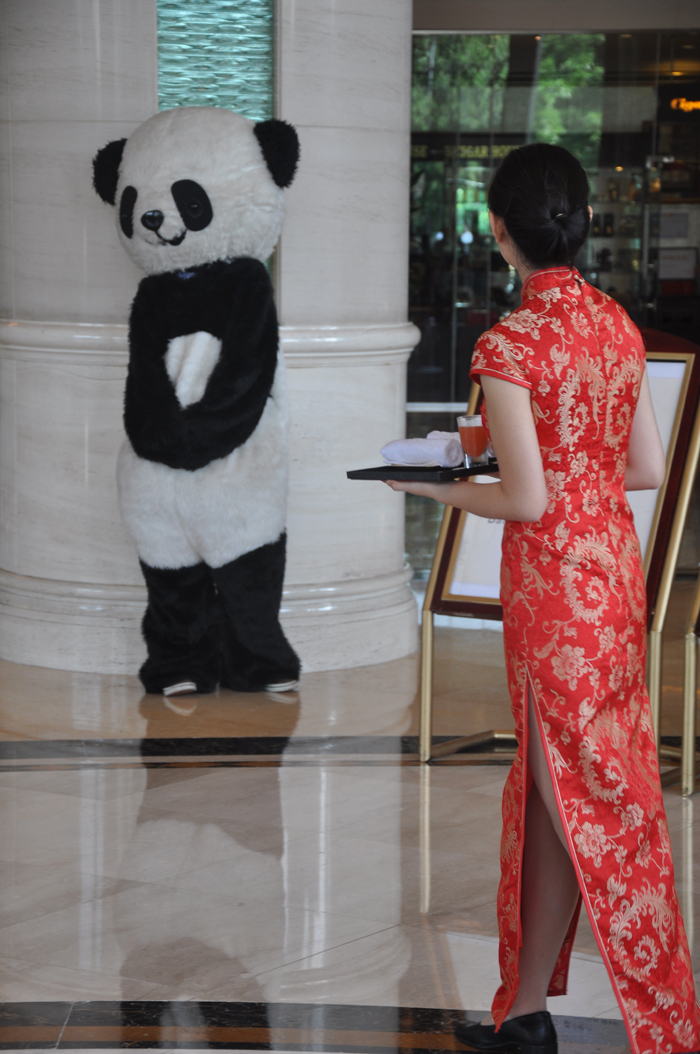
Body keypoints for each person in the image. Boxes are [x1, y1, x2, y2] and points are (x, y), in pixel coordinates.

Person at [388, 143, 700, 1054]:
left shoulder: (511, 343)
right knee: (571, 790)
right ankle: (525, 1011)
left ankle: (669, 1021)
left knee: (586, 804)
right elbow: (640, 467)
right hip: (611, 576)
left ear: (498, 232)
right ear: (585, 223)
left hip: (554, 596)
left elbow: (523, 499)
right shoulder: (616, 325)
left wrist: (433, 487)